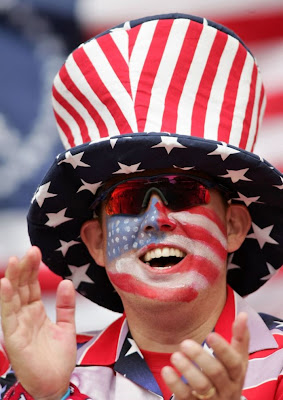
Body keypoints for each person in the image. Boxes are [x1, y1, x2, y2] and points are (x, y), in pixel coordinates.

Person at [1, 13, 283, 400]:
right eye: (127, 200)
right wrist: (50, 396)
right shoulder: (31, 375)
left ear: (233, 226)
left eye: (184, 192)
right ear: (96, 242)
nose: (155, 220)